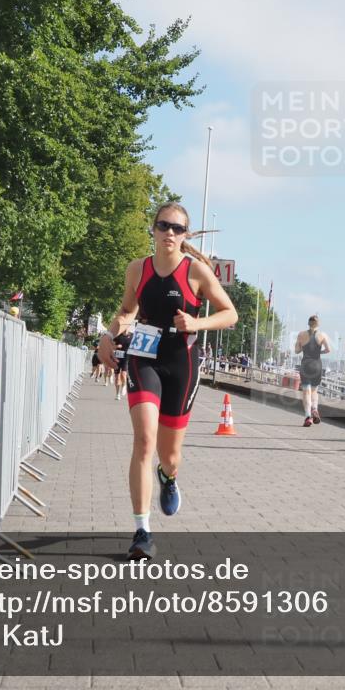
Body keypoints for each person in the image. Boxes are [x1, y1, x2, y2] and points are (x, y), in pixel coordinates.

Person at [98, 203, 238, 560]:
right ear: (154, 228)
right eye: (164, 226)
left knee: (169, 455)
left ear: (185, 234)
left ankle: (168, 477)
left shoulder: (197, 272)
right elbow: (127, 312)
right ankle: (142, 531)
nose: (170, 233)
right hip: (145, 358)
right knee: (144, 440)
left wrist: (197, 324)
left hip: (181, 363)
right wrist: (107, 336)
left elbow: (229, 313)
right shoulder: (137, 269)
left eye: (178, 228)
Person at [294, 315, 331, 427]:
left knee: (306, 391)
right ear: (318, 324)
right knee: (314, 390)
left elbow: (296, 350)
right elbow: (328, 350)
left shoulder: (301, 335)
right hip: (317, 365)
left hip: (306, 364)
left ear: (308, 323)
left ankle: (308, 416)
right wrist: (319, 352)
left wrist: (302, 347)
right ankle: (315, 408)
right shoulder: (322, 335)